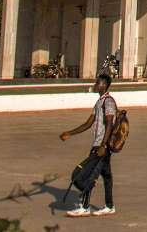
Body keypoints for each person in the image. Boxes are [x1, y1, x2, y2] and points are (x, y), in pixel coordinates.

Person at [60, 73, 119, 218]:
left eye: (97, 83)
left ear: (104, 85)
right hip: (100, 145)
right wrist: (70, 133)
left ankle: (84, 207)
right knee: (106, 176)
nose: (95, 85)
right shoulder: (99, 102)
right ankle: (109, 206)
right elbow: (88, 123)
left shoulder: (108, 102)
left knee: (86, 176)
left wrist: (103, 145)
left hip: (101, 147)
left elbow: (110, 124)